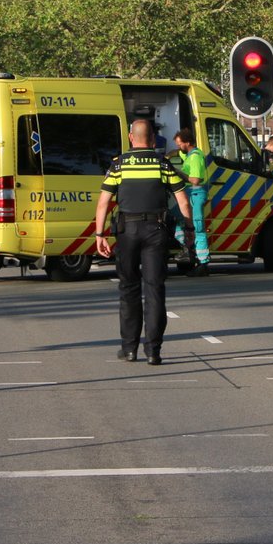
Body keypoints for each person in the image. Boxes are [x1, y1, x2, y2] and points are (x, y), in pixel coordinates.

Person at [93, 119, 193, 365]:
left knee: (128, 289)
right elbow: (183, 201)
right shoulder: (163, 164)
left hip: (127, 231)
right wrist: (189, 230)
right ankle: (153, 351)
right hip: (156, 231)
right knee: (154, 289)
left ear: (131, 137)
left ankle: (129, 349)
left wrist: (100, 235)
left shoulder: (119, 165)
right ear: (153, 139)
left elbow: (104, 202)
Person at [172, 127, 210, 274]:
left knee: (197, 228)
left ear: (188, 142)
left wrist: (179, 173)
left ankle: (203, 263)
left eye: (180, 144)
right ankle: (189, 252)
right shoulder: (190, 154)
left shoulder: (194, 157)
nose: (178, 147)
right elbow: (181, 154)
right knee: (180, 224)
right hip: (191, 195)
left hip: (195, 194)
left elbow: (195, 179)